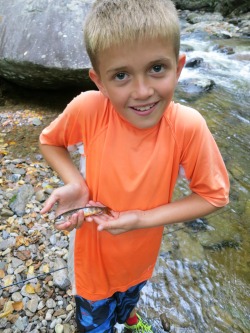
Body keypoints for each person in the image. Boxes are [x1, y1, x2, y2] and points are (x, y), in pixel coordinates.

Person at [39, 0, 230, 332]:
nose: (143, 92)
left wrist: (143, 219)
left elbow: (214, 196)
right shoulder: (88, 109)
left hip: (142, 259)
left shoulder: (188, 126)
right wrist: (77, 184)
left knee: (130, 296)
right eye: (122, 75)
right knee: (95, 320)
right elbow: (49, 140)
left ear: (179, 66)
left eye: (157, 68)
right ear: (99, 81)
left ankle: (128, 316)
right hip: (94, 267)